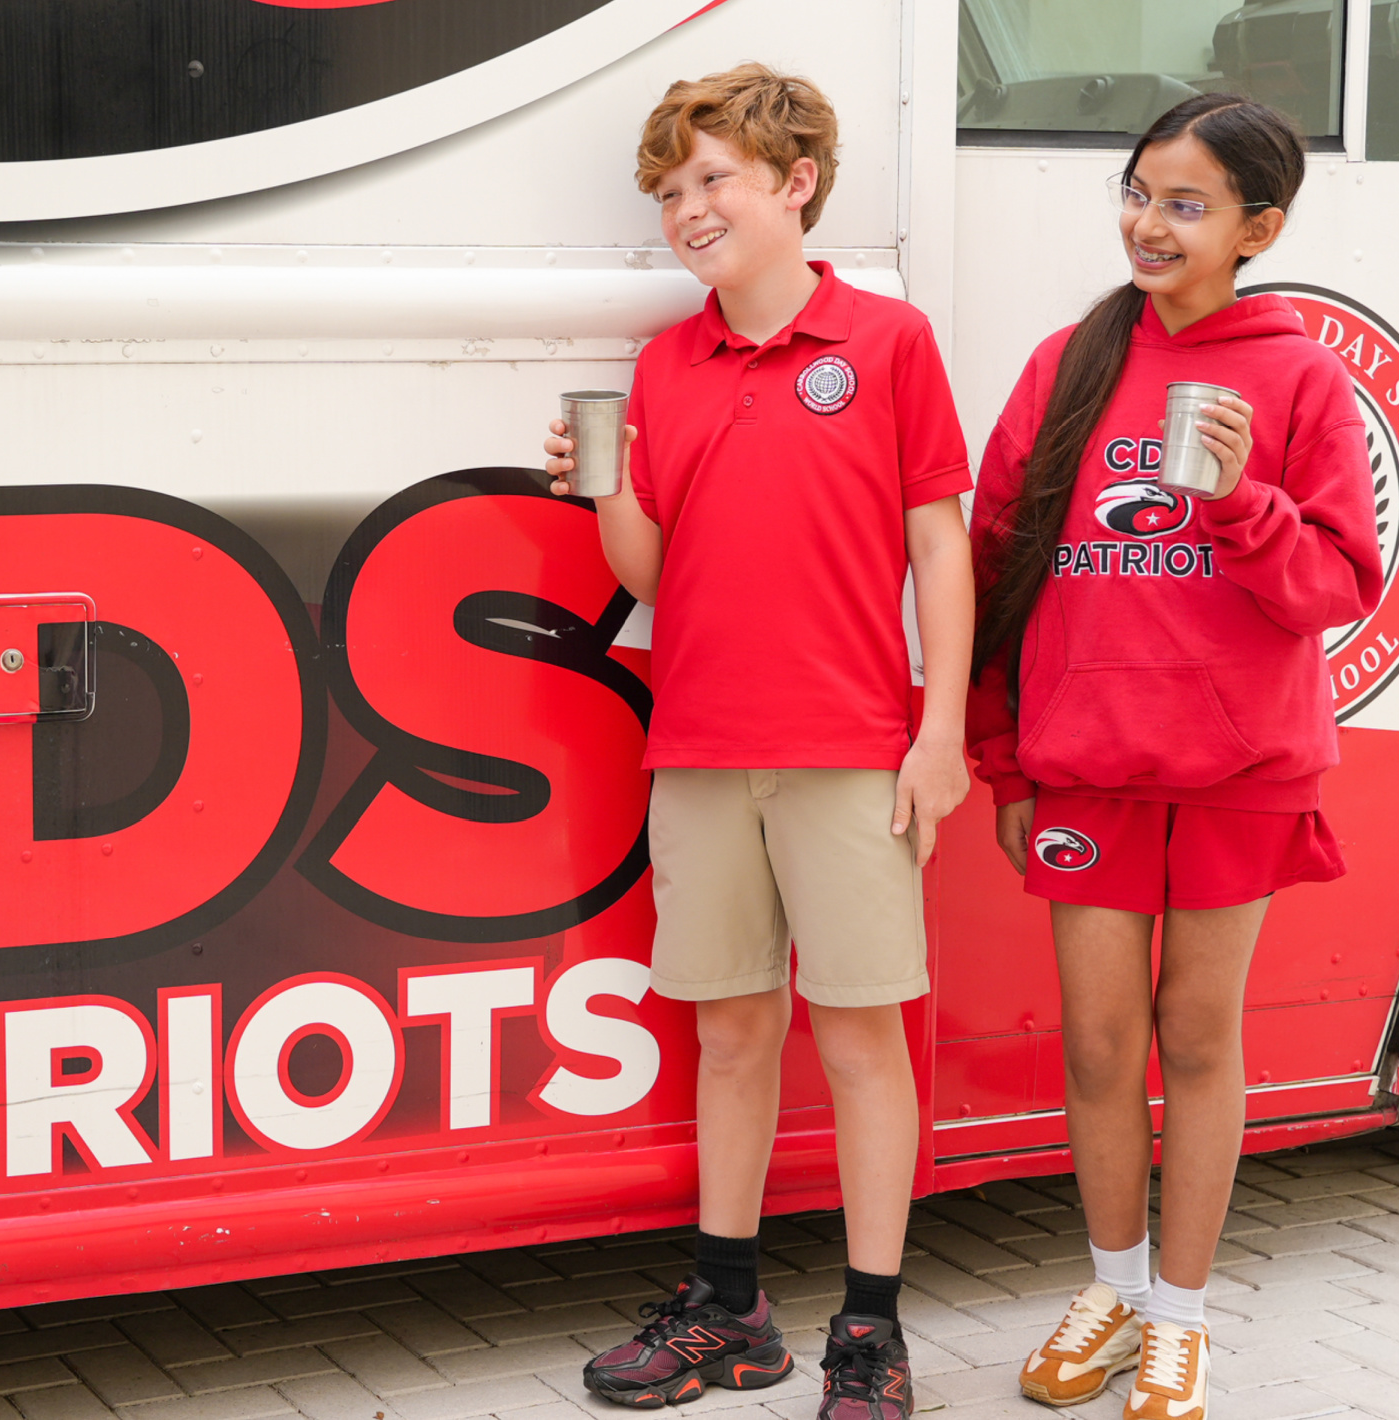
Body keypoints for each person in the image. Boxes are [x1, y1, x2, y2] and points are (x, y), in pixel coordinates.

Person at [542, 64, 973, 1420]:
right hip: (702, 746)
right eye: (670, 192)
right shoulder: (667, 365)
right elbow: (652, 576)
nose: (689, 208)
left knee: (858, 1039)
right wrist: (601, 486)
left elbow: (939, 545)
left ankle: (872, 1332)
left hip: (850, 746)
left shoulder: (888, 342)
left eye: (714, 179)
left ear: (796, 185)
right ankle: (729, 1311)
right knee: (731, 1032)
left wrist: (942, 728)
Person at [969, 96, 1381, 1419]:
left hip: (1239, 772)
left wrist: (1242, 501)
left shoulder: (1304, 377)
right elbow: (995, 569)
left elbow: (1338, 586)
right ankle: (1112, 1284)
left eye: (1186, 204)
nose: (1150, 222)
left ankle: (1182, 1319)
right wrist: (1004, 759)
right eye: (1140, 193)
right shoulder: (1067, 364)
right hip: (1085, 764)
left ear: (1259, 228)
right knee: (1096, 1044)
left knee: (1196, 1037)